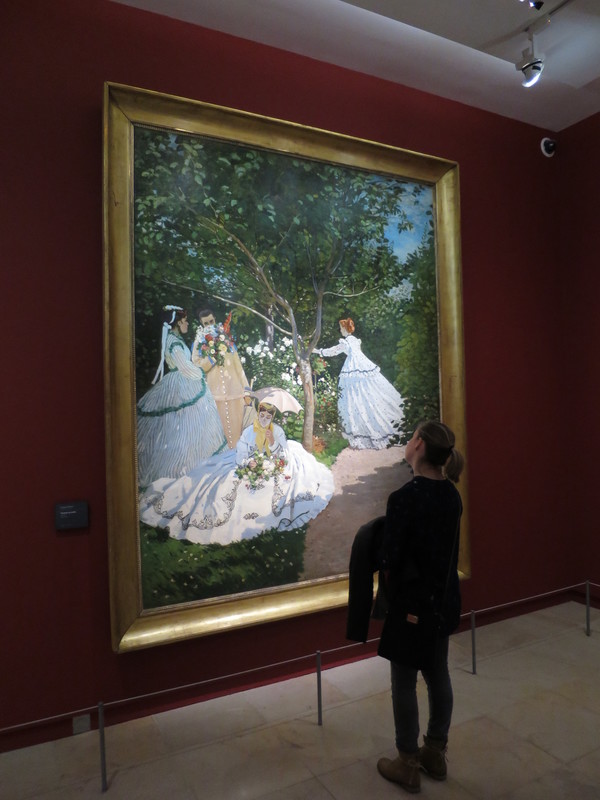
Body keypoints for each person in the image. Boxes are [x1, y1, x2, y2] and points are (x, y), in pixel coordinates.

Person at [376, 421, 464, 794]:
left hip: (411, 604)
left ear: (421, 446)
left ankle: (407, 762)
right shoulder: (451, 496)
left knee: (403, 681)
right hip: (441, 601)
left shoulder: (405, 498)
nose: (408, 442)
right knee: (438, 673)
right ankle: (435, 752)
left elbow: (391, 557)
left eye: (412, 436)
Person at [138, 401, 334, 545]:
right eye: (262, 416)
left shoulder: (277, 431)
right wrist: (249, 463)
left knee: (272, 484)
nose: (264, 420)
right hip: (251, 462)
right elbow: (241, 452)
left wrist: (272, 442)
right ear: (258, 414)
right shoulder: (250, 431)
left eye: (268, 417)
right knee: (225, 482)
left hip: (270, 461)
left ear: (272, 418)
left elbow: (282, 453)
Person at [136, 305, 227, 487]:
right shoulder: (174, 342)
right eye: (185, 321)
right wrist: (202, 372)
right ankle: (181, 471)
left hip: (184, 382)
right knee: (183, 428)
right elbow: (184, 367)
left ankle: (193, 465)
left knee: (191, 428)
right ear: (178, 323)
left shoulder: (175, 339)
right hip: (180, 384)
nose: (187, 324)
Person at [315, 318, 404, 449]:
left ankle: (365, 431)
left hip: (354, 368)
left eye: (341, 328)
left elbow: (332, 351)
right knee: (365, 395)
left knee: (355, 397)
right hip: (362, 365)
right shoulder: (355, 341)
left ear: (345, 329)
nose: (340, 330)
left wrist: (318, 351)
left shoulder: (345, 342)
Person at [192, 308, 255, 448]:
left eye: (211, 321)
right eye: (206, 323)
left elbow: (238, 366)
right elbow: (196, 366)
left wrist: (246, 390)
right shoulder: (199, 342)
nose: (209, 325)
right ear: (201, 324)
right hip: (214, 393)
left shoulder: (226, 337)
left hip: (234, 392)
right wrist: (211, 359)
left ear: (215, 319)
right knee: (219, 434)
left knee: (238, 431)